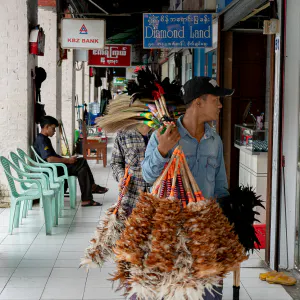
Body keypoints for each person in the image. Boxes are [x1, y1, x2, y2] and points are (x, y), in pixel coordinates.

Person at [142, 76, 234, 299]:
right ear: (198, 102)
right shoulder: (165, 135)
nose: (221, 105)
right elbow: (147, 175)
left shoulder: (215, 140)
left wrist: (228, 224)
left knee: (210, 292)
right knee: (173, 292)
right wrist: (162, 150)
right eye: (216, 100)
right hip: (171, 232)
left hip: (205, 231)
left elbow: (221, 186)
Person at [34, 116, 108, 207]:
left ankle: (87, 198)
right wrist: (68, 160)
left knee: (82, 167)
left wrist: (68, 160)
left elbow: (52, 157)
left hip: (57, 168)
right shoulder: (42, 140)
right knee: (82, 163)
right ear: (46, 127)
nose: (54, 131)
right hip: (53, 170)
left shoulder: (44, 139)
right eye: (53, 128)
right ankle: (90, 191)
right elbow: (50, 159)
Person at [110, 124, 152, 216]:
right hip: (132, 197)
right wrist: (121, 178)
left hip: (158, 197)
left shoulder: (162, 132)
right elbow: (115, 162)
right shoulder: (124, 134)